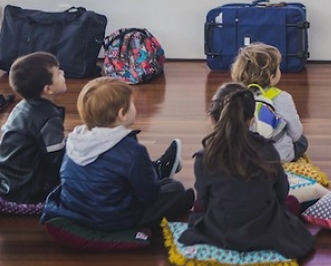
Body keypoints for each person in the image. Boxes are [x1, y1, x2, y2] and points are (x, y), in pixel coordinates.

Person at [179, 82, 314, 258]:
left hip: (222, 230)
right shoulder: (267, 150)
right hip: (264, 228)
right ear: (251, 120)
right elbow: (281, 192)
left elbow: (203, 202)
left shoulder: (205, 157)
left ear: (212, 119)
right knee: (291, 204)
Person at [41, 77, 193, 230]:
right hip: (113, 219)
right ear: (122, 114)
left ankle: (157, 171)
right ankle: (176, 192)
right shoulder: (132, 150)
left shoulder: (73, 140)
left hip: (75, 211)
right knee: (174, 188)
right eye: (132, 103)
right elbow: (149, 196)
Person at [0, 52, 66, 204]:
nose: (63, 73)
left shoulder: (21, 107)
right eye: (58, 72)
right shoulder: (48, 118)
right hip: (26, 190)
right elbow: (57, 159)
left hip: (9, 180)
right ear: (48, 89)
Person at [231, 43, 308, 163]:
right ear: (271, 77)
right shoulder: (283, 98)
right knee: (302, 141)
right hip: (276, 155)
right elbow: (295, 134)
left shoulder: (234, 96)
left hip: (243, 154)